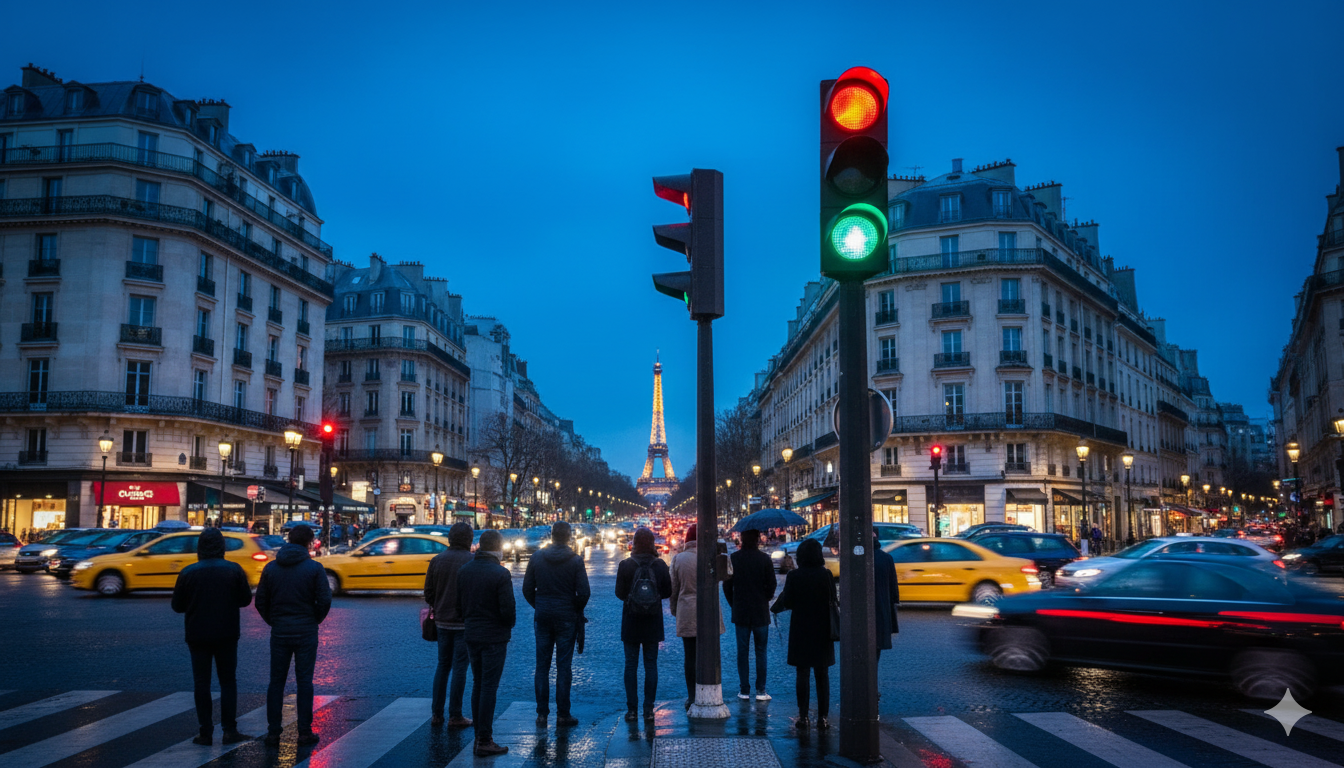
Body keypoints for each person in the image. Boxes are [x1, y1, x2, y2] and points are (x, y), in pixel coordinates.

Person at [171, 528, 254, 746]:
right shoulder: (233, 570)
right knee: (228, 681)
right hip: (227, 632)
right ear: (222, 547)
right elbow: (245, 600)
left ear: (200, 547)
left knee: (202, 683)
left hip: (197, 633)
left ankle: (205, 732)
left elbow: (177, 606)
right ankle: (229, 730)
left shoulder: (188, 572)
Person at [255, 524, 332, 748]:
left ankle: (273, 732)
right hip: (306, 630)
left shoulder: (271, 568)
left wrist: (274, 620)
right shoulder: (314, 568)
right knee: (304, 682)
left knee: (276, 682)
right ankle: (304, 732)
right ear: (309, 543)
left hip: (280, 630)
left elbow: (260, 601)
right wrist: (314, 619)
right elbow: (325, 600)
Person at [521, 521, 590, 728]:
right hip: (566, 616)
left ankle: (542, 714)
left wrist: (540, 604)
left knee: (542, 666)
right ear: (569, 537)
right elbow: (584, 593)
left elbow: (527, 589)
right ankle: (563, 714)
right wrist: (573, 608)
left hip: (543, 615)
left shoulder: (536, 557)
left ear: (551, 536)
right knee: (564, 667)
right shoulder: (575, 560)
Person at [456, 529, 515, 757]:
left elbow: (458, 607)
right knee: (489, 686)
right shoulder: (501, 574)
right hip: (494, 636)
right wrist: (505, 626)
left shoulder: (464, 570)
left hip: (472, 634)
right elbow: (508, 611)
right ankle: (484, 739)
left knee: (478, 684)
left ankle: (478, 736)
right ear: (498, 548)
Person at [770, 538, 835, 730]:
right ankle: (823, 718)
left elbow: (788, 602)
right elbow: (833, 599)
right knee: (822, 675)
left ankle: (804, 717)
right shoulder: (826, 575)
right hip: (823, 628)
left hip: (801, 628)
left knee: (802, 673)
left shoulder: (794, 576)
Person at [614, 527, 673, 721]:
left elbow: (619, 593)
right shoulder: (660, 565)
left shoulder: (626, 565)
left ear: (634, 543)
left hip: (631, 620)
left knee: (630, 665)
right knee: (651, 665)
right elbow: (668, 592)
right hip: (653, 621)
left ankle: (632, 710)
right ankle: (648, 710)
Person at [424, 522, 475, 728]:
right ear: (469, 540)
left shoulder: (437, 560)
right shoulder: (472, 561)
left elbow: (428, 593)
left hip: (442, 621)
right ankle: (455, 715)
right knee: (460, 668)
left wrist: (439, 605)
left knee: (443, 666)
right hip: (463, 623)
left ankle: (437, 714)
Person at [669, 523, 725, 709]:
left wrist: (675, 610)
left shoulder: (678, 559)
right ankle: (712, 691)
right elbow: (728, 573)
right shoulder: (711, 556)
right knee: (711, 655)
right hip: (710, 611)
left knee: (690, 657)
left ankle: (692, 696)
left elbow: (673, 589)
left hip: (687, 610)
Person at [723, 528, 776, 702]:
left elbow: (726, 586)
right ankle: (761, 690)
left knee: (742, 651)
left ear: (742, 539)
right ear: (757, 540)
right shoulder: (765, 559)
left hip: (741, 611)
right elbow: (772, 584)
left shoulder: (734, 558)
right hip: (760, 611)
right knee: (761, 651)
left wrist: (734, 603)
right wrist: (765, 598)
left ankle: (744, 690)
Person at [873, 532, 899, 664]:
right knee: (876, 645)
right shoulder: (886, 558)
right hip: (882, 605)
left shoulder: (856, 557)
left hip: (861, 609)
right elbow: (893, 584)